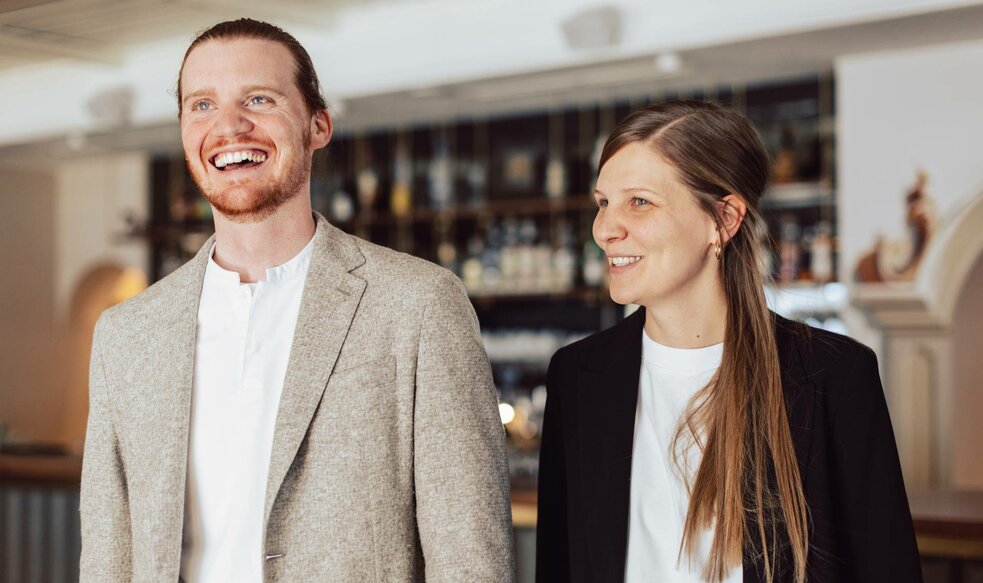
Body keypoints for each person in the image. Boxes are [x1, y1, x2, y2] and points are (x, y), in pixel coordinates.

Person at [79, 18, 515, 582]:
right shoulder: (126, 334)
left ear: (318, 125)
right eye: (202, 105)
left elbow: (470, 560)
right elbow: (107, 559)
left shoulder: (420, 306)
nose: (229, 126)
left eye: (258, 98)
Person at [535, 101, 922, 583]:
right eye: (603, 202)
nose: (605, 229)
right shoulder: (576, 378)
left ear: (724, 219)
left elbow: (887, 569)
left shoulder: (833, 373)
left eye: (639, 202)